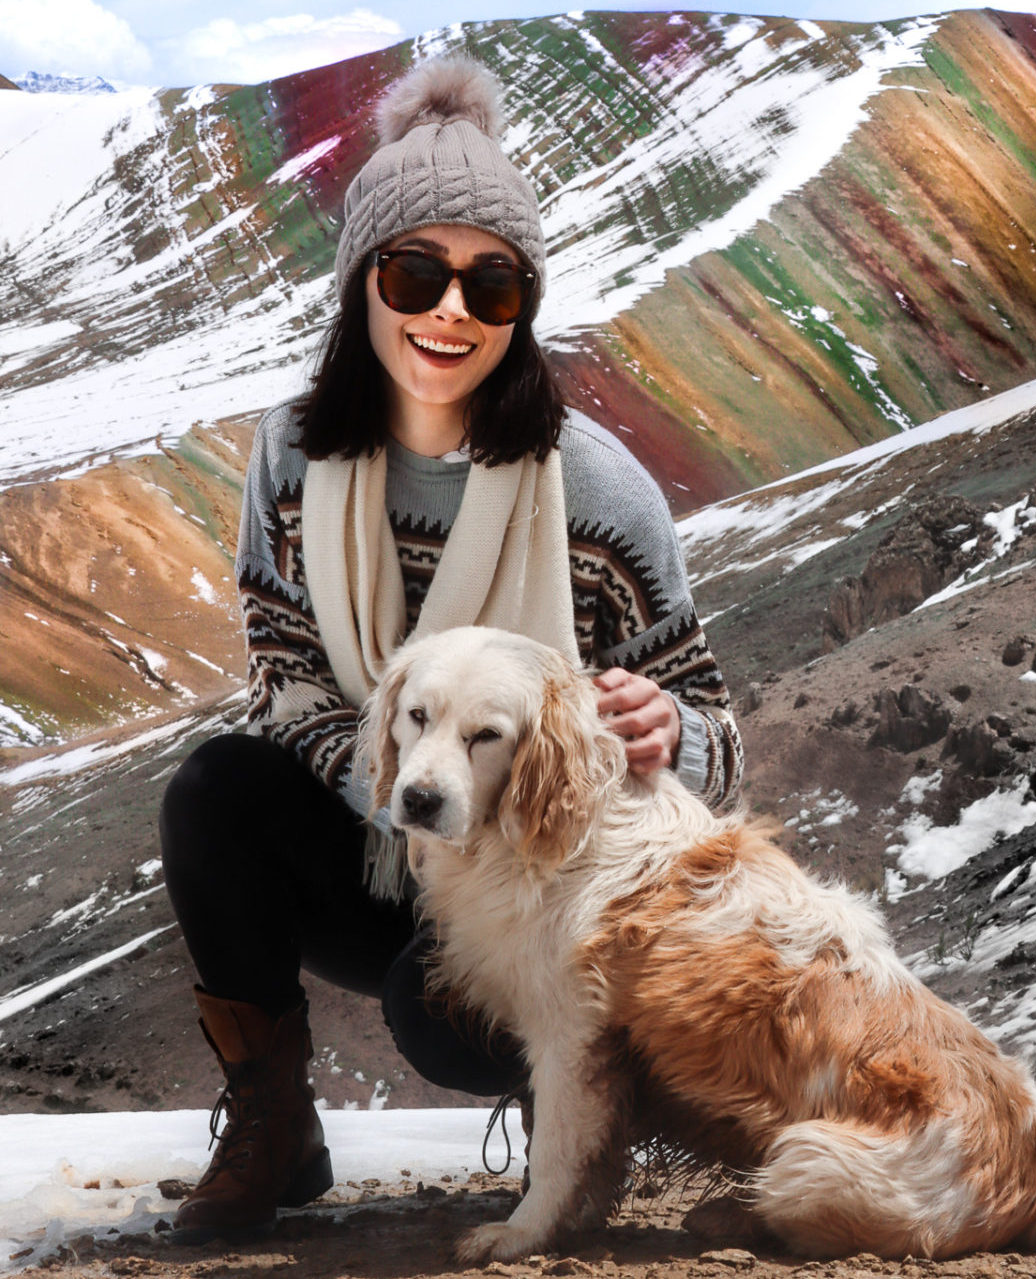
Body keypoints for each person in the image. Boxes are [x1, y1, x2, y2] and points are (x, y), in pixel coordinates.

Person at [159, 54, 742, 1240]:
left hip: (536, 871)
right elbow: (280, 678)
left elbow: (722, 745)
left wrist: (670, 730)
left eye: (492, 288)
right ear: (361, 285)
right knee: (215, 792)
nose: (449, 313)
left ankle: (572, 1104)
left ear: (522, 307)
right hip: (385, 828)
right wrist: (400, 784)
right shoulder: (290, 456)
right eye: (416, 271)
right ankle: (273, 1120)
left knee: (438, 1017)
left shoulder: (596, 491)